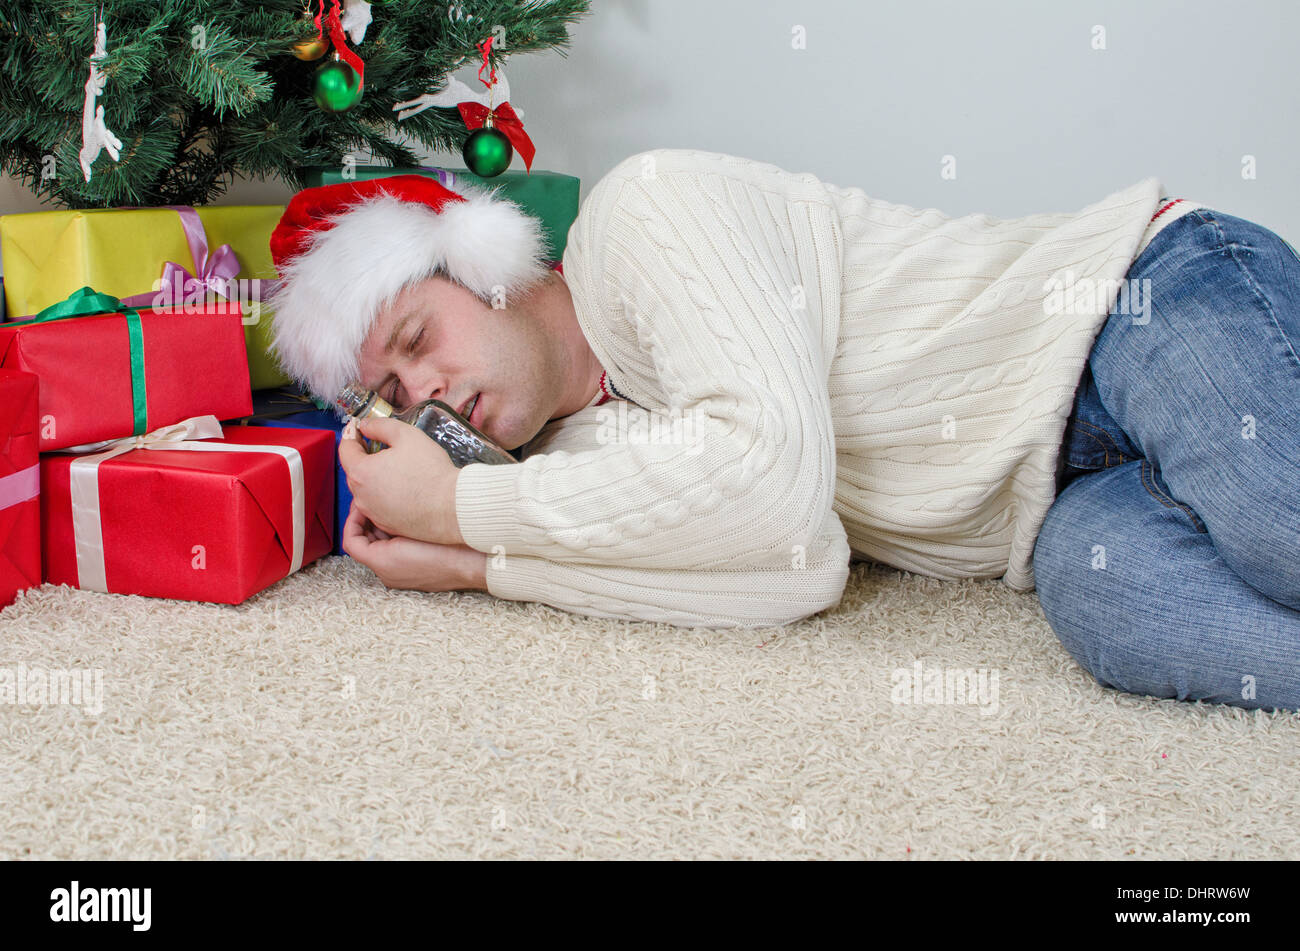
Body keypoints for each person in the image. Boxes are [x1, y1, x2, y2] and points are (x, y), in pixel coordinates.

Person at [266, 148, 1299, 711]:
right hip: (1067, 505)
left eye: (416, 337)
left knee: (1279, 525)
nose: (427, 395)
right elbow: (797, 569)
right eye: (394, 402)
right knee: (1113, 611)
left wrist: (462, 505)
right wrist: (479, 565)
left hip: (1140, 303)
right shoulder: (577, 456)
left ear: (484, 269)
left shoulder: (645, 213)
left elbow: (769, 483)